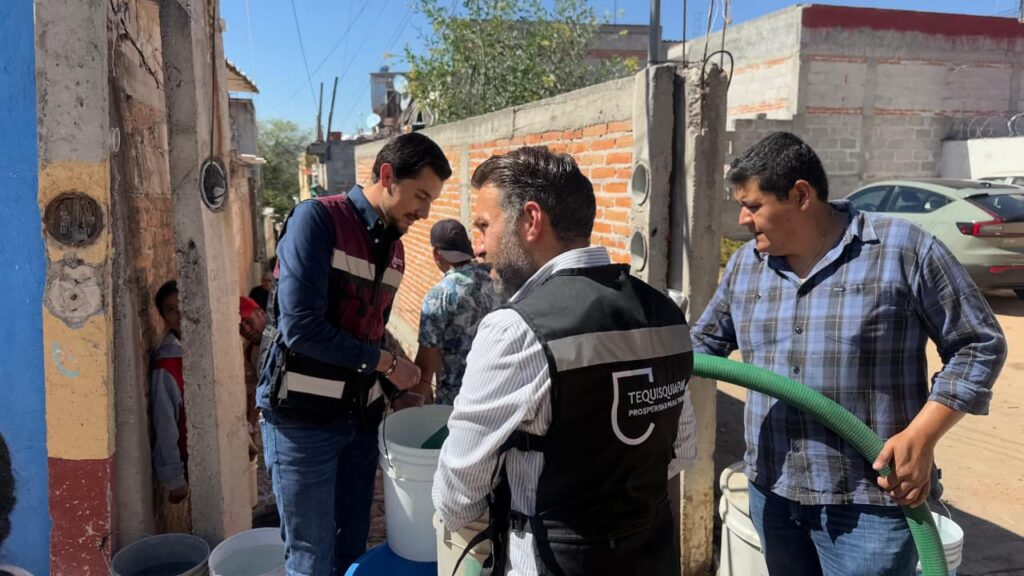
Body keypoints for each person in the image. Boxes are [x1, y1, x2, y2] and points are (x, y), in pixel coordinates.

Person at [691, 132, 1007, 576]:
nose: (742, 218)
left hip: (870, 501)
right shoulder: (746, 266)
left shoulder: (902, 250)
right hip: (773, 491)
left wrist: (923, 436)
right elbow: (701, 346)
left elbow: (979, 343)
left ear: (801, 195)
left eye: (753, 205)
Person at [432, 147, 697, 576]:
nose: (478, 247)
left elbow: (456, 496)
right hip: (651, 557)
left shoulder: (515, 330)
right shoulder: (665, 312)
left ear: (530, 220)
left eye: (483, 226)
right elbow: (680, 451)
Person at [256, 132, 452, 575]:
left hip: (359, 425)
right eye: (421, 196)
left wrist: (397, 391)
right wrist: (389, 364)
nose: (424, 212)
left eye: (431, 201)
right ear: (387, 175)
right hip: (302, 424)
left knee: (352, 551)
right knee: (310, 558)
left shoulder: (395, 249)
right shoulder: (318, 220)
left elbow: (369, 333)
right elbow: (300, 329)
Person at [412, 219, 498, 405]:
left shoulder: (438, 296)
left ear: (436, 253)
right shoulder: (496, 280)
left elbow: (426, 365)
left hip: (455, 403)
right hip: (495, 395)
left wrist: (411, 407)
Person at [150, 280, 192, 532]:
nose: (179, 314)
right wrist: (175, 478)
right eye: (170, 310)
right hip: (189, 460)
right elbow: (165, 425)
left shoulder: (208, 346)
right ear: (163, 316)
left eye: (183, 304)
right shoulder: (167, 367)